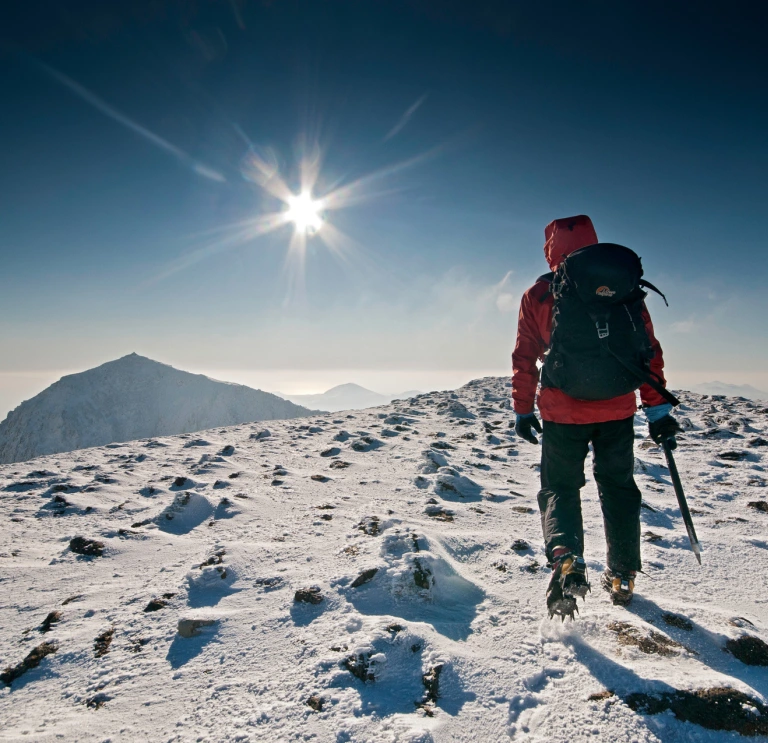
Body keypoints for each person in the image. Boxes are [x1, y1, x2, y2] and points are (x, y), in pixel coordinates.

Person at [511, 215, 681, 618]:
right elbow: (646, 352)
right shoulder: (621, 286)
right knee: (619, 488)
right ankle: (622, 575)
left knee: (559, 488)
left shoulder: (539, 293)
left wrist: (522, 410)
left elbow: (524, 356)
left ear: (550, 248)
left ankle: (567, 558)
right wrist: (657, 409)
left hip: (561, 412)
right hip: (617, 409)